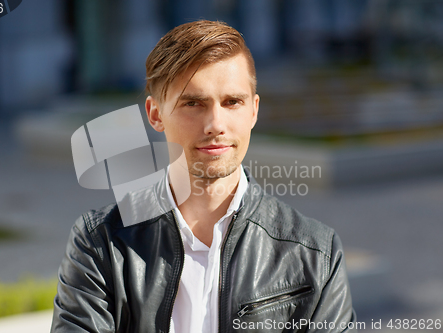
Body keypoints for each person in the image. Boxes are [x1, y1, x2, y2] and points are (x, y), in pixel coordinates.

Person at [51, 20, 356, 333]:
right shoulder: (100, 244)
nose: (215, 124)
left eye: (232, 102)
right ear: (155, 114)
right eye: (193, 103)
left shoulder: (315, 253)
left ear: (253, 111)